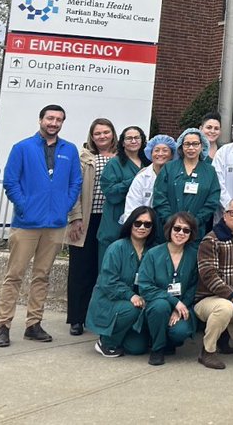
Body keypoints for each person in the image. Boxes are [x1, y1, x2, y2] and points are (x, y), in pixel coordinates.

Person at [0, 104, 82, 347]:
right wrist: (25, 206)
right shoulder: (22, 147)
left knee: (42, 276)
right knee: (14, 275)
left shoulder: (70, 150)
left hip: (54, 224)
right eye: (50, 118)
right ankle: (3, 325)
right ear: (40, 120)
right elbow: (11, 182)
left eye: (59, 119)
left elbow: (75, 182)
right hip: (26, 223)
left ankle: (33, 324)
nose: (53, 123)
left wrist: (64, 206)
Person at [66, 117, 118, 337]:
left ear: (113, 134)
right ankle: (77, 318)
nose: (102, 136)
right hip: (87, 220)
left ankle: (98, 316)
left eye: (106, 132)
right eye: (98, 133)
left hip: (112, 221)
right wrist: (75, 217)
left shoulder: (121, 158)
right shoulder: (84, 158)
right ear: (92, 136)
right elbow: (73, 189)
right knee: (80, 269)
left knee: (105, 270)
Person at [86, 205, 160, 357]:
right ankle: (106, 342)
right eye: (137, 223)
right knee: (132, 309)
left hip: (139, 305)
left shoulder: (154, 251)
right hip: (111, 301)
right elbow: (108, 282)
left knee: (137, 348)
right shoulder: (116, 248)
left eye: (147, 224)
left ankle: (122, 335)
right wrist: (130, 296)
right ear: (130, 223)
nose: (142, 227)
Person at [193, 198, 233, 369]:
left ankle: (224, 341)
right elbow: (209, 276)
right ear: (225, 215)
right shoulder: (211, 240)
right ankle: (207, 352)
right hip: (207, 300)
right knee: (225, 307)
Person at [137, 210, 200, 365]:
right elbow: (145, 286)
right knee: (161, 306)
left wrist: (180, 306)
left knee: (180, 332)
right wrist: (173, 302)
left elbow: (194, 286)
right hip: (157, 305)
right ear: (169, 229)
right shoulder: (153, 254)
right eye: (177, 228)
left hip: (182, 306)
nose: (180, 233)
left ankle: (169, 341)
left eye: (186, 230)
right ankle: (157, 349)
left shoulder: (194, 255)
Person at [153, 127, 220, 240]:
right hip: (169, 229)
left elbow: (212, 200)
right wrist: (171, 221)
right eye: (187, 144)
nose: (191, 148)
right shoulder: (169, 168)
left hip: (196, 231)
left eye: (195, 144)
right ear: (181, 146)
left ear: (202, 146)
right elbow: (159, 196)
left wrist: (195, 222)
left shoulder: (210, 171)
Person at [96, 125, 147, 265]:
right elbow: (110, 192)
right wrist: (135, 180)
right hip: (114, 221)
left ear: (142, 141)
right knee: (110, 265)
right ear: (122, 142)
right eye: (129, 138)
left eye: (137, 137)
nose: (133, 141)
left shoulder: (148, 164)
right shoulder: (114, 164)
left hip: (140, 222)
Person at [124, 135, 174, 214]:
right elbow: (132, 206)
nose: (160, 154)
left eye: (165, 150)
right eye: (156, 150)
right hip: (144, 223)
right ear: (150, 153)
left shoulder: (176, 176)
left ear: (172, 155)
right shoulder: (142, 177)